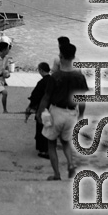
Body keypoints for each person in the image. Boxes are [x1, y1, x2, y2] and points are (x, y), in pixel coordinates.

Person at [37, 43, 88, 181]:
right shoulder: (80, 77)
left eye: (60, 54)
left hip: (56, 113)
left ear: (62, 57)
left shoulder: (56, 76)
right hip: (72, 113)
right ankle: (71, 165)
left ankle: (57, 174)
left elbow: (46, 97)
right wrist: (81, 116)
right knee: (66, 143)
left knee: (51, 143)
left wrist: (40, 112)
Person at [25, 62, 51, 159]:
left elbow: (35, 97)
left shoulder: (41, 83)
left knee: (41, 129)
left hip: (42, 109)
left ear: (41, 70)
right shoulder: (53, 80)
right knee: (49, 129)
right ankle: (49, 149)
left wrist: (30, 107)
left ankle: (44, 151)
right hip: (52, 109)